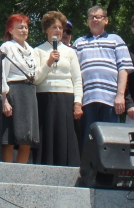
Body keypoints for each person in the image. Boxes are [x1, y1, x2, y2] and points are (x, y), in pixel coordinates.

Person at [73, 5, 133, 148]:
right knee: (88, 142)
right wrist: (77, 103)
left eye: (98, 17)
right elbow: (74, 74)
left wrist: (120, 96)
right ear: (87, 21)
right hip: (87, 101)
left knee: (111, 141)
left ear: (106, 20)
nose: (94, 20)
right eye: (91, 17)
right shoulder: (78, 43)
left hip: (111, 101)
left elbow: (123, 69)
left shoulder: (116, 40)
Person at [34, 10, 83, 166]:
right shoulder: (38, 50)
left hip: (65, 98)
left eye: (61, 28)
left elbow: (77, 79)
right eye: (54, 27)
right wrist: (48, 62)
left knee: (65, 137)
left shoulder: (70, 52)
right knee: (46, 136)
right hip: (45, 98)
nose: (58, 31)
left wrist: (77, 102)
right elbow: (35, 79)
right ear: (46, 29)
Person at [0, 14, 40, 163]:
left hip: (29, 92)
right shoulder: (7, 47)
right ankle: (8, 172)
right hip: (14, 92)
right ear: (10, 30)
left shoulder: (32, 50)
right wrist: (4, 100)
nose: (24, 30)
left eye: (26, 27)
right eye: (20, 27)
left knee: (27, 138)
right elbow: (1, 73)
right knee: (10, 137)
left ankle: (21, 174)